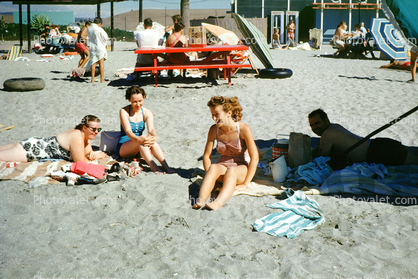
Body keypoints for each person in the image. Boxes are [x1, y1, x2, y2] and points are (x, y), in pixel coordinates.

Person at [192, 96, 259, 210]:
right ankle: (200, 200)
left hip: (239, 168)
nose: (214, 118)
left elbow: (255, 158)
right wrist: (210, 176)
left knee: (232, 171)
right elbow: (206, 156)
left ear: (229, 113)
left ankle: (218, 202)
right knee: (213, 167)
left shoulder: (243, 129)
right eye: (212, 114)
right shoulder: (214, 130)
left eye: (217, 114)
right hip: (222, 166)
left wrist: (245, 183)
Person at [308, 109, 418, 167]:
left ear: (326, 120)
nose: (315, 128)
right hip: (379, 145)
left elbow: (321, 158)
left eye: (317, 123)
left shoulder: (328, 133)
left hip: (378, 152)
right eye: (312, 125)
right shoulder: (334, 127)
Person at [0, 115, 106, 163]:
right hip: (31, 151)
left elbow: (89, 153)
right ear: (84, 128)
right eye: (94, 129)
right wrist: (99, 155)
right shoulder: (77, 137)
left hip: (34, 143)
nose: (96, 132)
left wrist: (94, 154)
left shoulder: (84, 137)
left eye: (98, 129)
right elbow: (81, 161)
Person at [117, 86, 173, 174]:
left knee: (151, 140)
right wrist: (138, 139)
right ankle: (153, 166)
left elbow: (151, 129)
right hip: (125, 147)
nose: (138, 104)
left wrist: (154, 137)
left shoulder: (147, 112)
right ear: (129, 100)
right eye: (134, 102)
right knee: (143, 139)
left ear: (144, 98)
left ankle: (165, 166)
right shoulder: (124, 111)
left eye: (140, 101)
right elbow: (128, 131)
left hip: (140, 145)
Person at [86, 17, 108, 83]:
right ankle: (102, 79)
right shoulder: (99, 28)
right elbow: (105, 37)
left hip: (92, 47)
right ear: (99, 23)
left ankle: (92, 79)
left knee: (93, 62)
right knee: (101, 63)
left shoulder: (89, 28)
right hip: (99, 46)